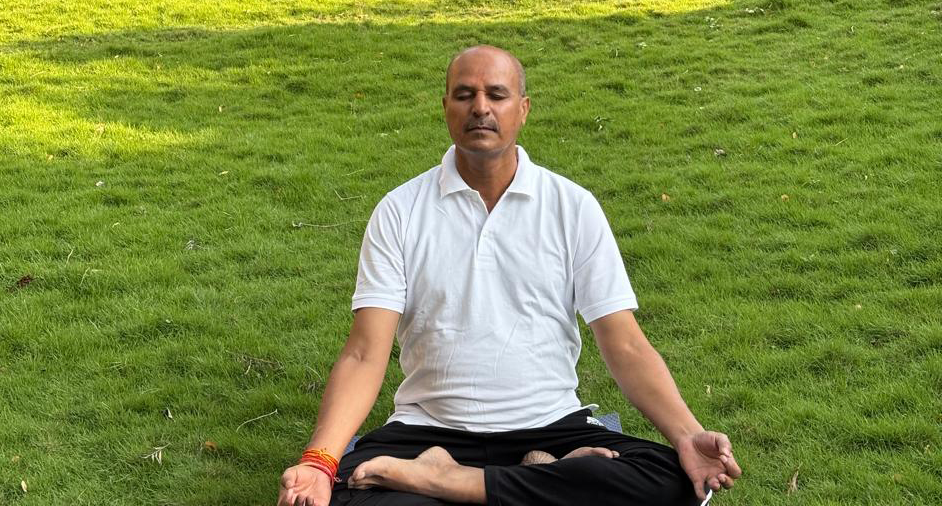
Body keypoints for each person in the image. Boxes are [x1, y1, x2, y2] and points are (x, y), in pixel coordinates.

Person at [278, 46, 741, 506]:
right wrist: (319, 462)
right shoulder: (399, 211)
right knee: (347, 493)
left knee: (672, 480)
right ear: (446, 107)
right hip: (426, 431)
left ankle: (450, 483)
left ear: (523, 109)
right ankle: (541, 478)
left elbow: (626, 345)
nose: (480, 107)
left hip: (552, 426)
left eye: (496, 95)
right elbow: (363, 353)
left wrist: (688, 436)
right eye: (465, 95)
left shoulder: (572, 207)